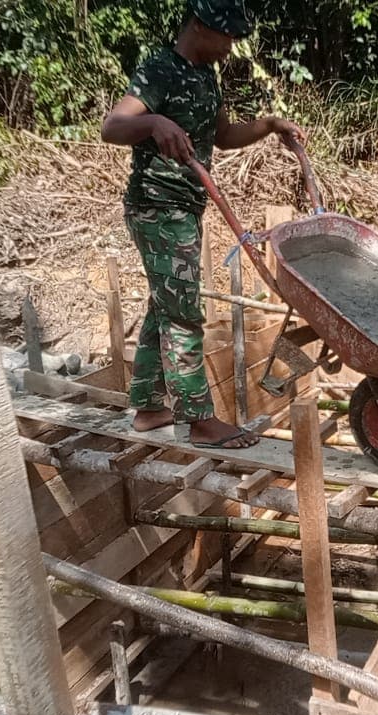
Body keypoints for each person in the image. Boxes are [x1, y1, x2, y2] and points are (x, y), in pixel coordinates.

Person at [101, 0, 304, 449]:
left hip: (184, 208)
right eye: (226, 37)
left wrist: (269, 125)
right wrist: (153, 122)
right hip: (158, 206)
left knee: (166, 305)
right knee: (183, 312)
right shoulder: (160, 68)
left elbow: (224, 135)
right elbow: (112, 126)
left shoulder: (206, 76)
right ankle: (198, 420)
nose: (230, 49)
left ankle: (150, 407)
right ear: (199, 27)